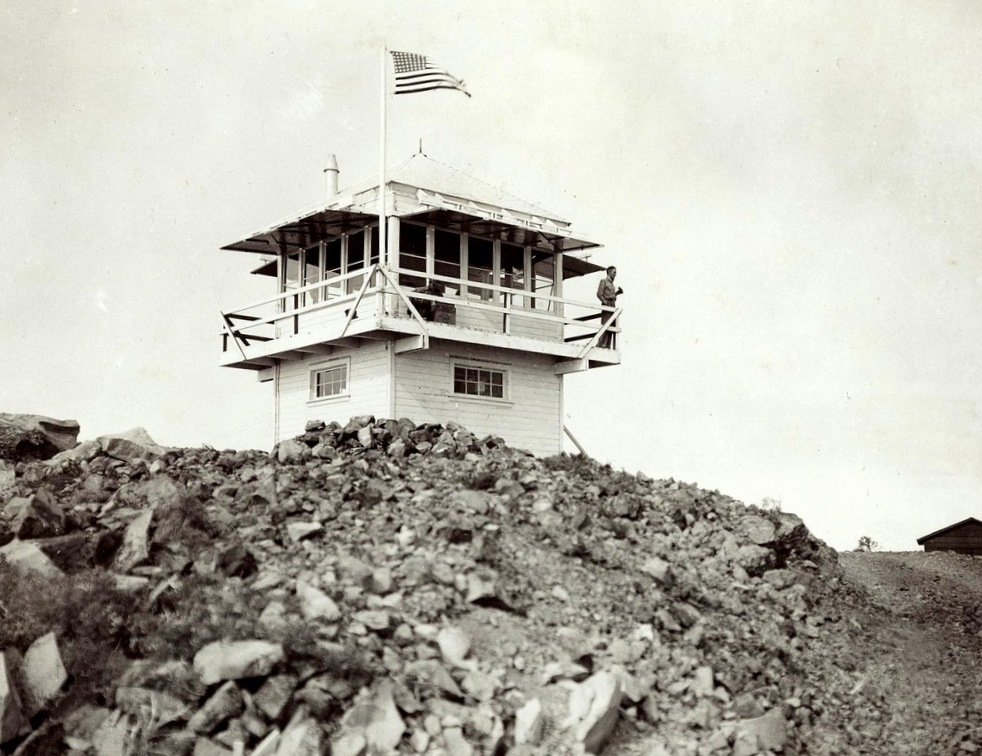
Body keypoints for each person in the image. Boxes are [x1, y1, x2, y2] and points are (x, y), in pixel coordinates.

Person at [596, 266, 622, 348]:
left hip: (612, 305)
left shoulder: (612, 284)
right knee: (606, 324)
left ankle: (607, 344)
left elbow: (612, 296)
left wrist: (617, 293)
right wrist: (605, 302)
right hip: (607, 305)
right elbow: (599, 294)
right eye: (614, 272)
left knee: (611, 325)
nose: (615, 274)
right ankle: (601, 344)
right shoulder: (603, 281)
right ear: (609, 272)